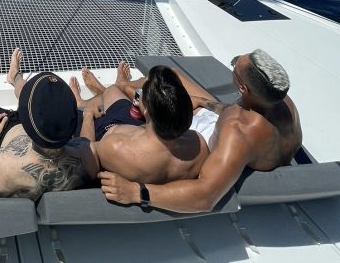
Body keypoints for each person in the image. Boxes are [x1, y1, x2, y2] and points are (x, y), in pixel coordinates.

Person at [100, 49, 302, 212]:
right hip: (216, 123)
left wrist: (138, 193)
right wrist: (204, 103)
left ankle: (118, 89)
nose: (233, 64)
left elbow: (205, 197)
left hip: (202, 140)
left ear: (243, 89)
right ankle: (123, 86)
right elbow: (236, 111)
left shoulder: (238, 133)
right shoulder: (283, 102)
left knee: (155, 93)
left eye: (234, 65)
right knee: (173, 74)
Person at [0, 48, 98, 201]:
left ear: (24, 113)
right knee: (37, 96)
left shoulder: (2, 164)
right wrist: (87, 116)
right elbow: (85, 143)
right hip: (52, 131)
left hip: (4, 127)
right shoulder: (89, 155)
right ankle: (14, 77)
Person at [71, 62, 208, 184]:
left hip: (104, 131)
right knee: (112, 90)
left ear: (147, 111)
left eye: (142, 91)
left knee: (98, 101)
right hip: (142, 130)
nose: (138, 94)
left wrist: (88, 114)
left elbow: (86, 149)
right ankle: (102, 91)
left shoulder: (115, 147)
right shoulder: (199, 146)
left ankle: (83, 104)